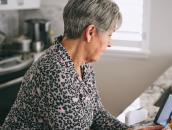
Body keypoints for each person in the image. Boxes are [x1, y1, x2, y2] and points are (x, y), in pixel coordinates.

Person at [1, 0, 163, 130]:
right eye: (109, 35)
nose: (110, 43)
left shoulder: (82, 64)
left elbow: (97, 112)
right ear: (90, 32)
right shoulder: (55, 72)